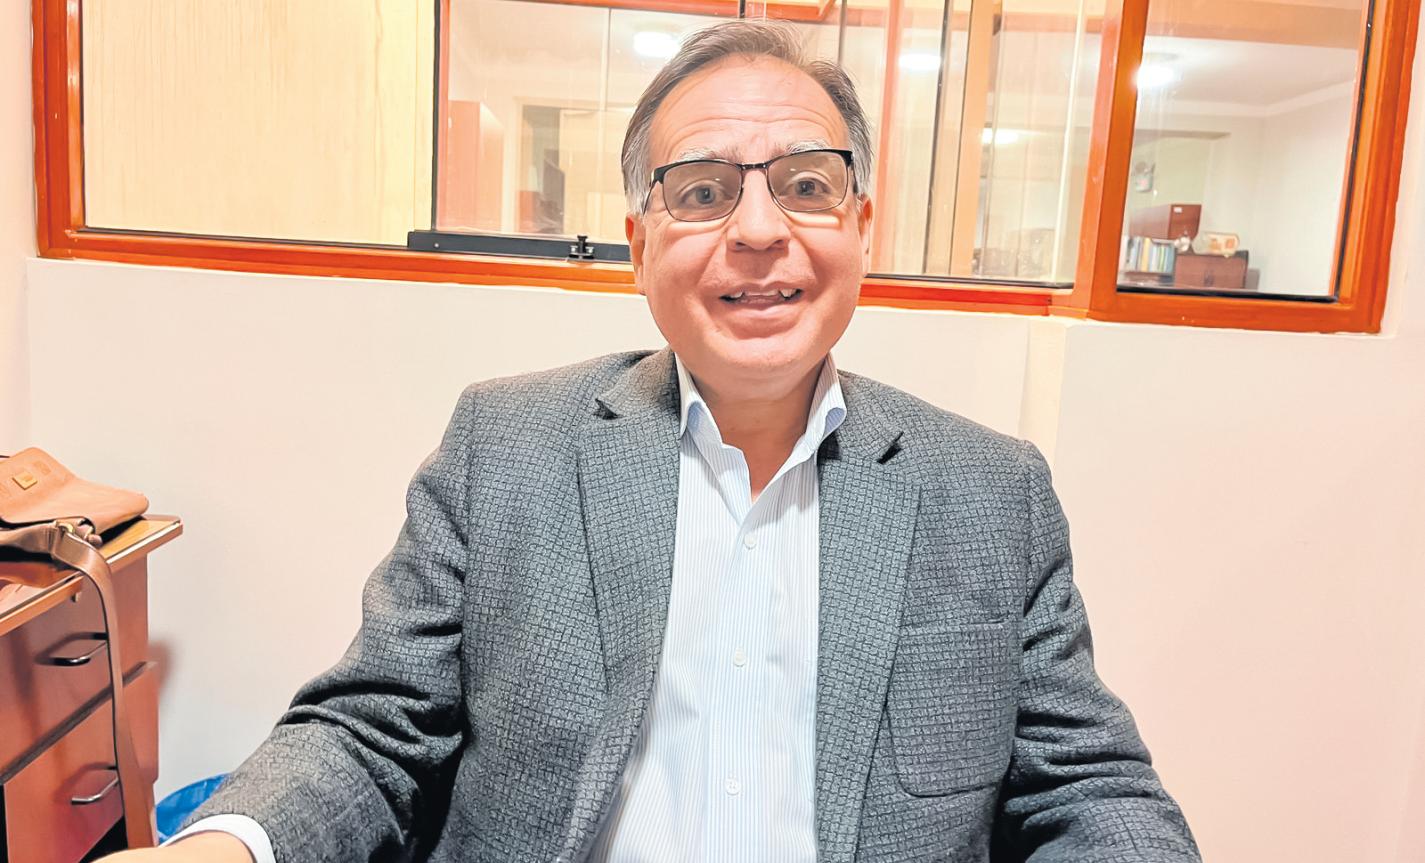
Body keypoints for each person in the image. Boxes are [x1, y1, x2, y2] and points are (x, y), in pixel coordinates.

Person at [104, 20, 1199, 863]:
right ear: (639, 244)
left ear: (862, 227)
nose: (759, 231)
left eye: (806, 185)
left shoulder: (991, 490)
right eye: (702, 191)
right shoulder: (506, 445)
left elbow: (1087, 786)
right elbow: (373, 726)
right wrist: (221, 846)